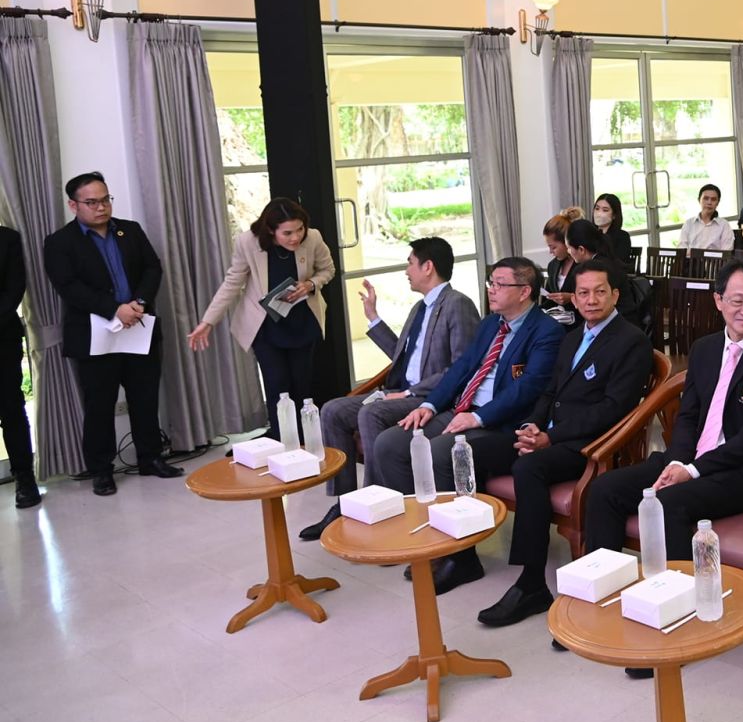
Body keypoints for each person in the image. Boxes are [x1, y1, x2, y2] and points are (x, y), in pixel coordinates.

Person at [588, 259, 743, 666]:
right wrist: (678, 461)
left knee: (670, 503)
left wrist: (692, 470)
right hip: (693, 460)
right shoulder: (705, 349)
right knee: (606, 489)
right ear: (718, 300)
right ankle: (605, 598)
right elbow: (688, 416)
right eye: (737, 300)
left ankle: (676, 620)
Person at [369, 257, 565, 594]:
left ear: (524, 291)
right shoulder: (491, 325)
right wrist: (430, 405)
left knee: (442, 451)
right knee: (390, 444)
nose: (491, 290)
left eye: (500, 284)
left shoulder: (547, 331)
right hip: (462, 409)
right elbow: (461, 369)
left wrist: (478, 417)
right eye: (491, 282)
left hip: (501, 424)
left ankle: (461, 558)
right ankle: (426, 535)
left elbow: (529, 387)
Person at [477, 258, 653, 627]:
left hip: (589, 444)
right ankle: (462, 555)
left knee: (529, 467)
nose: (591, 300)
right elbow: (549, 391)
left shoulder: (630, 340)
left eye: (600, 292)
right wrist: (531, 427)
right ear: (573, 297)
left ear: (615, 295)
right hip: (548, 435)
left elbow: (613, 409)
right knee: (473, 451)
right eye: (583, 293)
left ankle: (531, 583)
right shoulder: (572, 336)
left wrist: (550, 437)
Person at [298, 237, 479, 541]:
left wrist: (408, 394)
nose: (406, 271)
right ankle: (346, 502)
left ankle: (378, 504)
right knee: (333, 410)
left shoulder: (457, 304)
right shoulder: (420, 307)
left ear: (428, 267)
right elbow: (401, 357)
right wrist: (373, 317)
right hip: (401, 392)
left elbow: (461, 368)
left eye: (410, 263)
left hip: (429, 398)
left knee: (371, 413)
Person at [42, 172, 182, 494]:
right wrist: (114, 309)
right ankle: (101, 470)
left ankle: (150, 458)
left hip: (138, 327)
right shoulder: (60, 242)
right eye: (92, 202)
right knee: (99, 406)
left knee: (145, 398)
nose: (101, 207)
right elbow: (68, 286)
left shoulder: (129, 230)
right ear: (73, 205)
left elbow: (152, 267)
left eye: (105, 199)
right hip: (95, 336)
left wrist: (139, 303)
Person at [188, 198, 336, 441]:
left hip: (302, 321)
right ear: (270, 229)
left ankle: (305, 440)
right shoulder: (247, 242)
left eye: (299, 229)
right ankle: (280, 440)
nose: (295, 237)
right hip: (266, 325)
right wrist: (208, 322)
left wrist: (310, 284)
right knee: (277, 384)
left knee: (302, 384)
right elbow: (232, 283)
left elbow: (327, 270)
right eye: (287, 233)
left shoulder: (313, 238)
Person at [0, 224, 39, 508]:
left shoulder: (7, 239)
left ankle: (24, 477)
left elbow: (14, 289)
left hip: (2, 337)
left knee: (11, 409)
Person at [540, 212, 579, 308]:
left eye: (553, 247)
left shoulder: (583, 265)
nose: (550, 252)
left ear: (566, 242)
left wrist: (571, 298)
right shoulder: (552, 266)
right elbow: (549, 300)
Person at [679, 183, 735, 250]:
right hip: (691, 257)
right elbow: (681, 250)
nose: (709, 202)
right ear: (699, 200)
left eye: (713, 199)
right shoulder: (689, 224)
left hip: (714, 258)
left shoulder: (724, 225)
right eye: (706, 198)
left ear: (718, 203)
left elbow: (726, 251)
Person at [591, 193, 633, 264]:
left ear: (614, 215)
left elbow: (619, 263)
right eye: (597, 209)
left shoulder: (622, 237)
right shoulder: (589, 233)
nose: (599, 214)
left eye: (605, 210)